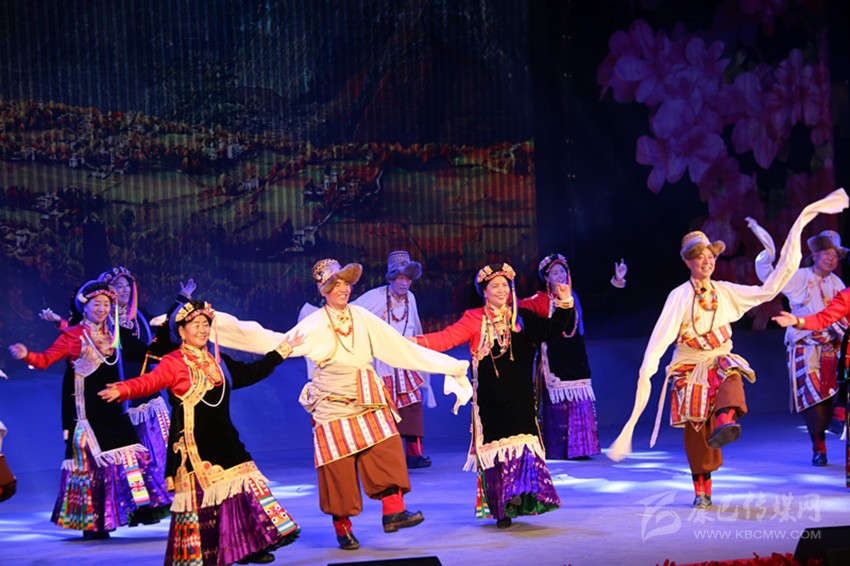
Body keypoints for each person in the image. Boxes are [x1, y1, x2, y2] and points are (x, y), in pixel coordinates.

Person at [607, 188, 848, 509]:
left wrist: (776, 247)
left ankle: (725, 420)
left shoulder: (726, 291)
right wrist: (649, 368)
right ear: (688, 262)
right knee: (696, 430)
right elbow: (661, 336)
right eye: (700, 257)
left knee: (732, 372)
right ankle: (702, 489)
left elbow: (765, 292)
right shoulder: (679, 296)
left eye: (711, 256)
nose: (707, 261)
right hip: (689, 367)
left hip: (720, 360)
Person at [211, 259, 471, 551]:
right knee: (338, 468)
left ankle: (393, 511)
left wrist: (450, 366)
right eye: (336, 285)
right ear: (324, 291)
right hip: (332, 401)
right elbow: (271, 340)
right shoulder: (315, 323)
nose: (343, 289)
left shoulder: (362, 317)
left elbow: (399, 347)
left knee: (386, 447)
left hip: (367, 396)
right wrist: (216, 323)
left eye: (346, 284)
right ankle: (343, 527)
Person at [98, 300, 300, 565]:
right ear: (181, 331)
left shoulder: (217, 360)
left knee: (243, 489)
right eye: (196, 325)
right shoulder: (173, 362)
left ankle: (246, 547)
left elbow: (250, 373)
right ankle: (205, 556)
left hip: (225, 439)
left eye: (206, 324)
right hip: (194, 447)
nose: (202, 329)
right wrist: (123, 389)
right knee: (203, 503)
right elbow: (150, 381)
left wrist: (280, 353)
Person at [413, 262, 574, 529]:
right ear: (484, 292)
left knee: (524, 447)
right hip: (492, 403)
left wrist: (565, 301)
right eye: (495, 286)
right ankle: (503, 508)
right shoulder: (474, 318)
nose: (501, 290)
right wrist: (410, 342)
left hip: (521, 400)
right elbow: (445, 338)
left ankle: (522, 497)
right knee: (497, 455)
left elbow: (553, 329)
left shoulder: (521, 316)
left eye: (505, 285)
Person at [7, 280, 171, 538]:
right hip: (85, 414)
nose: (102, 309)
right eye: (97, 304)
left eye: (106, 304)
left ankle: (138, 510)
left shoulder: (114, 333)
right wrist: (27, 355)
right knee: (89, 464)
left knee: (130, 453)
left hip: (112, 409)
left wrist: (170, 336)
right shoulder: (73, 335)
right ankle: (94, 524)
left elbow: (145, 353)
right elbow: (45, 360)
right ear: (84, 307)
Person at [751, 225, 848, 466]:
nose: (831, 258)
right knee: (813, 398)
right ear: (814, 254)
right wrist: (766, 256)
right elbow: (773, 278)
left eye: (835, 255)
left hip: (832, 347)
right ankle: (819, 448)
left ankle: (835, 421)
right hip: (806, 346)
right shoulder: (800, 277)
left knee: (831, 395)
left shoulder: (837, 282)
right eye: (826, 253)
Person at [519, 254, 626, 460]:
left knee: (579, 400)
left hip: (576, 359)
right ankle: (558, 449)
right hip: (553, 361)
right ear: (546, 278)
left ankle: (581, 448)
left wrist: (617, 280)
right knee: (557, 405)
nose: (560, 275)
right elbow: (518, 308)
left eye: (562, 271)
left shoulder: (575, 296)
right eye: (554, 273)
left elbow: (603, 302)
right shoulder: (540, 300)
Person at [352, 250, 436, 468]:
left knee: (412, 405)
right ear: (391, 278)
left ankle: (414, 455)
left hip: (404, 361)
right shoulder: (375, 297)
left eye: (407, 278)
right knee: (383, 408)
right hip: (382, 364)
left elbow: (415, 327)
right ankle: (384, 455)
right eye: (399, 278)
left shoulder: (411, 298)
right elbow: (351, 314)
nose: (404, 283)